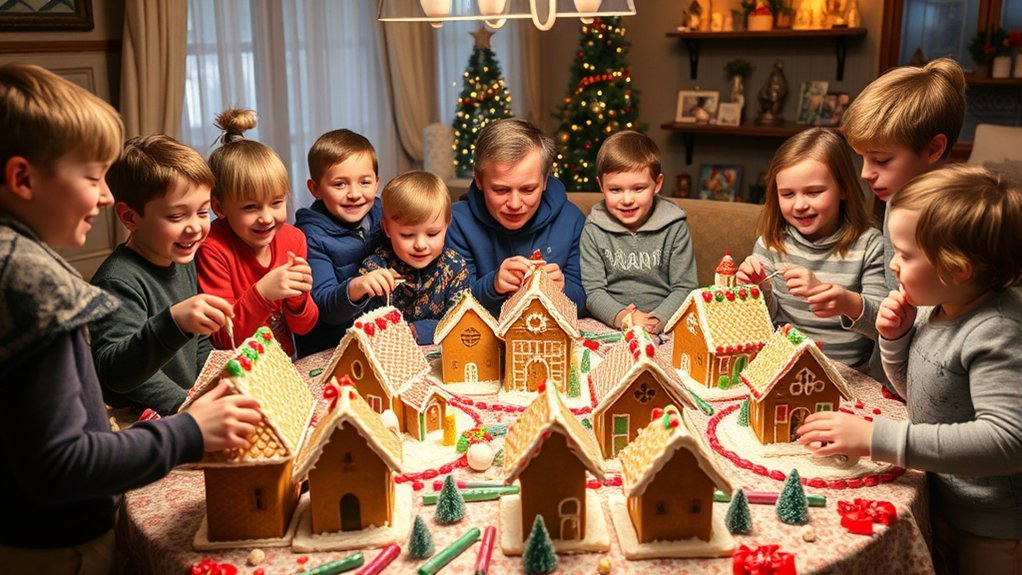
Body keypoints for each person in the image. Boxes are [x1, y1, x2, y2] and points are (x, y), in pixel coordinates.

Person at [0, 63, 260, 575]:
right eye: (93, 177)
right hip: (57, 545)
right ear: (22, 178)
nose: (101, 195)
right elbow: (61, 461)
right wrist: (188, 430)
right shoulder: (36, 288)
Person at [796, 165, 1022, 575]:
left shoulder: (998, 332)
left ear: (957, 268)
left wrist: (876, 438)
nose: (894, 267)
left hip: (991, 528)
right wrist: (897, 340)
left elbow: (1007, 441)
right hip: (942, 496)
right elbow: (915, 394)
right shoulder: (939, 306)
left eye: (904, 254)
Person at [89, 135, 233, 415]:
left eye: (202, 212)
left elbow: (198, 342)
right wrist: (186, 404)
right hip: (143, 422)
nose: (195, 227)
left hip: (187, 407)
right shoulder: (117, 281)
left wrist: (211, 383)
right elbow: (117, 374)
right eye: (177, 217)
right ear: (130, 217)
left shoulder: (181, 256)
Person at [737, 128, 886, 372]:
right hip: (782, 367)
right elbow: (764, 320)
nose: (800, 205)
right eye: (787, 194)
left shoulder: (869, 245)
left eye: (814, 192)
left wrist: (845, 301)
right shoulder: (771, 244)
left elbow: (883, 324)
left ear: (844, 188)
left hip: (848, 374)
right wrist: (758, 289)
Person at [196, 108, 318, 357]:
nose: (266, 218)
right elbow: (223, 339)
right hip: (237, 368)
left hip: (284, 362)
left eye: (276, 203)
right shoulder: (212, 248)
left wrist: (298, 299)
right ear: (219, 208)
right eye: (250, 207)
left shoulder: (293, 239)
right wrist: (263, 293)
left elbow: (305, 327)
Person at [840, 57, 966, 292]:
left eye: (881, 160)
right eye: (862, 158)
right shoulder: (896, 199)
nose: (865, 173)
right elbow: (894, 292)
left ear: (933, 149)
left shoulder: (964, 215)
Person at [446, 118, 586, 317]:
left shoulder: (571, 221)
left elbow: (584, 301)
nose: (514, 204)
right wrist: (492, 285)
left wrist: (562, 289)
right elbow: (450, 305)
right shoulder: (457, 223)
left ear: (545, 180)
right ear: (478, 179)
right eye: (501, 190)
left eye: (528, 189)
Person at [580, 130, 697, 333]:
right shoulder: (594, 229)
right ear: (601, 185)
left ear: (657, 184)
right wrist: (626, 318)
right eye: (615, 190)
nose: (627, 200)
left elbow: (685, 288)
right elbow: (593, 292)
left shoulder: (674, 227)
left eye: (638, 188)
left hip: (664, 323)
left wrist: (655, 322)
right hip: (611, 323)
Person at [294, 129, 383, 356]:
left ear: (377, 182)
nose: (354, 194)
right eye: (340, 184)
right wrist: (356, 287)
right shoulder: (309, 237)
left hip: (377, 341)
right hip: (330, 350)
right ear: (315, 189)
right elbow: (323, 306)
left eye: (364, 182)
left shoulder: (384, 214)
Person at [357, 171, 469, 344]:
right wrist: (360, 290)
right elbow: (363, 327)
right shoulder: (375, 268)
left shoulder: (455, 267)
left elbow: (458, 321)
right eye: (408, 235)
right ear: (387, 229)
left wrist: (416, 331)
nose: (420, 245)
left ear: (447, 224)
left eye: (432, 234)